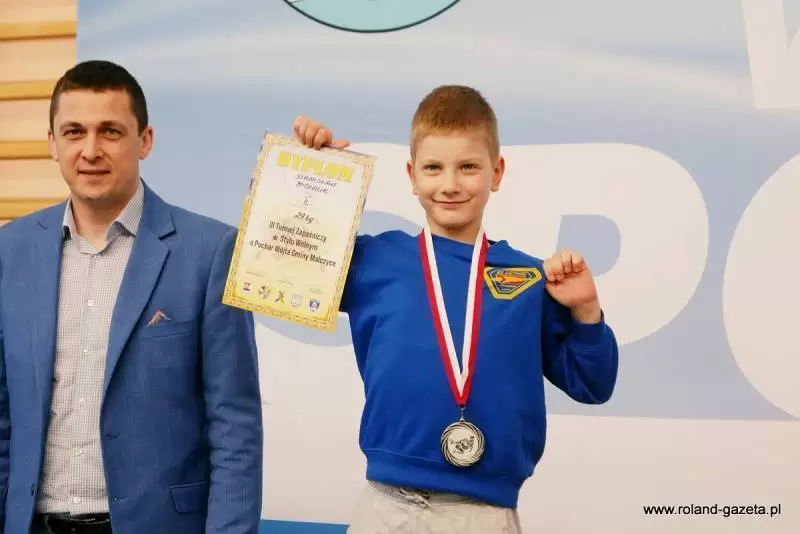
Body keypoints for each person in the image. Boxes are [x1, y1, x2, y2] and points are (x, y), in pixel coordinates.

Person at [292, 85, 619, 533]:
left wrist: (586, 310)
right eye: (433, 168)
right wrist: (311, 175)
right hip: (385, 507)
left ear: (496, 172)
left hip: (483, 513)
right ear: (412, 175)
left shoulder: (528, 277)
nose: (449, 184)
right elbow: (278, 265)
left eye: (468, 167)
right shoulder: (374, 261)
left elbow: (592, 384)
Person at [0, 60, 263, 534]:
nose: (91, 150)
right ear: (52, 143)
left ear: (145, 140)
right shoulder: (10, 250)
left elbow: (235, 429)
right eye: (74, 132)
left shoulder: (210, 252)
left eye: (111, 131)